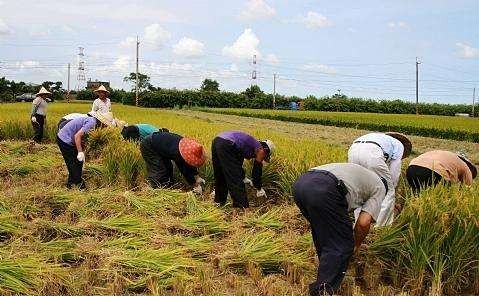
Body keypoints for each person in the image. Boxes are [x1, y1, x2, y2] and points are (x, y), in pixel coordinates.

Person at [293, 163, 386, 296]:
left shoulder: (362, 175)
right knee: (341, 244)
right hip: (324, 190)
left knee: (325, 234)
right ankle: (322, 291)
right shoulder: (380, 187)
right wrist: (355, 245)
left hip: (301, 184)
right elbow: (363, 223)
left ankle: (326, 270)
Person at [348, 132, 411, 226]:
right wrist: (392, 188)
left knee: (360, 188)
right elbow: (394, 172)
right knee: (388, 191)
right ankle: (380, 227)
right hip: (372, 154)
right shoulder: (399, 146)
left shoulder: (380, 138)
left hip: (353, 151)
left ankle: (359, 222)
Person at [211, 131, 275, 209]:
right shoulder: (261, 150)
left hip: (217, 141)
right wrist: (259, 188)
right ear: (266, 150)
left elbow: (236, 163)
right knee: (235, 180)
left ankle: (219, 204)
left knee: (220, 175)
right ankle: (242, 210)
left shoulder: (249, 144)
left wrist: (243, 177)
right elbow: (256, 171)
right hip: (227, 144)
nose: (263, 158)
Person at [57, 112, 114, 189]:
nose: (105, 128)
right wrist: (80, 152)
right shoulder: (92, 123)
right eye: (106, 125)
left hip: (71, 140)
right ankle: (80, 184)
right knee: (72, 162)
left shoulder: (95, 126)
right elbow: (77, 136)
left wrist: (83, 151)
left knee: (78, 162)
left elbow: (83, 138)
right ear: (102, 123)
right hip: (64, 139)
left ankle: (70, 183)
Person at [140, 131, 206, 193]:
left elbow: (188, 163)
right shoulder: (177, 152)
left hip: (161, 147)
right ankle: (157, 191)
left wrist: (197, 177)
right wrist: (194, 184)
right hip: (149, 146)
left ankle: (168, 187)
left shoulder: (186, 148)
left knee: (168, 167)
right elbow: (184, 168)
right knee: (159, 170)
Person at [406, 150, 477, 193]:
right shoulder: (465, 166)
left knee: (417, 195)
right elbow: (467, 189)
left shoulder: (446, 155)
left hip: (411, 168)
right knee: (442, 197)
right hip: (433, 171)